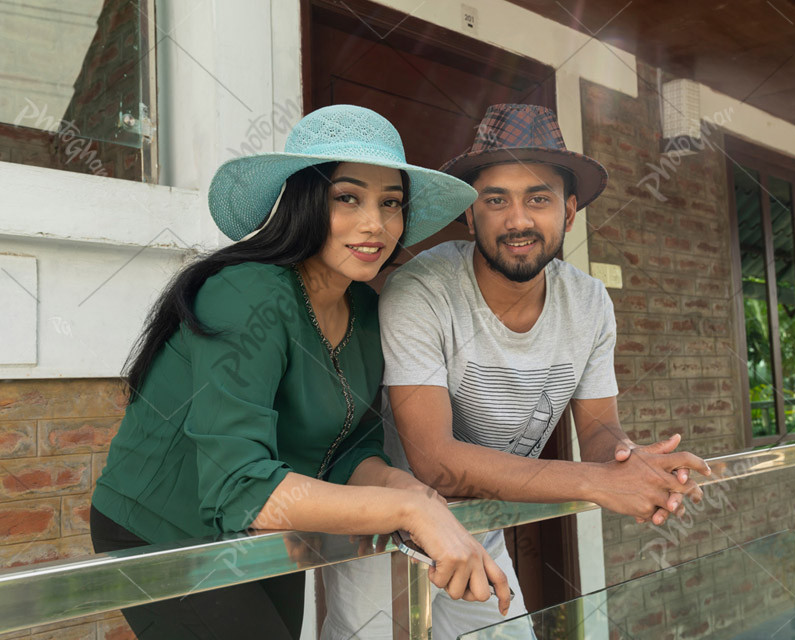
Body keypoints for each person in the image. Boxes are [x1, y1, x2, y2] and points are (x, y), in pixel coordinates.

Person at [89, 104, 511, 640]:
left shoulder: (364, 310)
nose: (374, 224)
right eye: (348, 198)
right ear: (305, 202)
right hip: (159, 530)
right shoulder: (246, 293)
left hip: (263, 524)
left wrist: (421, 499)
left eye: (391, 203)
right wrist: (408, 507)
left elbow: (352, 450)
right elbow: (236, 488)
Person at [322, 104, 712, 639]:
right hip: (384, 533)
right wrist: (598, 483)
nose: (518, 220)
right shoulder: (422, 289)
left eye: (538, 199)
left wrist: (629, 462)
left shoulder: (590, 302)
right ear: (469, 214)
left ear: (570, 212)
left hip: (480, 531)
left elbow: (598, 430)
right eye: (496, 199)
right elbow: (435, 462)